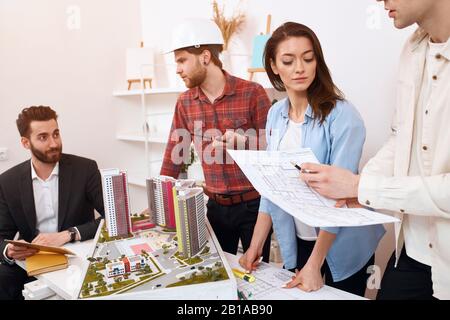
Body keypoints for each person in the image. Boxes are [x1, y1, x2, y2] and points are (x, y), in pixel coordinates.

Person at [299, 0, 450, 300]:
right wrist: (357, 187)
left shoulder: (343, 115)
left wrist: (362, 185)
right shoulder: (412, 49)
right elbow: (400, 136)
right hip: (412, 249)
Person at [239, 22, 385, 296]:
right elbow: (271, 188)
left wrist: (315, 263)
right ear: (273, 66)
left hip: (343, 244)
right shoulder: (275, 115)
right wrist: (256, 245)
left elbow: (339, 199)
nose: (299, 68)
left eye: (308, 58)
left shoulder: (343, 116)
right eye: (288, 60)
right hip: (302, 239)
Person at [160, 19, 273, 261]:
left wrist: (244, 144)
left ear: (205, 56)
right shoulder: (185, 102)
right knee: (220, 272)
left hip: (255, 207)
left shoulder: (253, 93)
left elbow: (272, 150)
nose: (177, 69)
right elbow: (174, 155)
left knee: (259, 272)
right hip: (215, 208)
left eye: (182, 60)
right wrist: (160, 199)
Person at [0, 106, 105, 300]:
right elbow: (2, 236)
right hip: (32, 262)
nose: (53, 143)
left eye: (56, 134)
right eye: (43, 137)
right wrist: (9, 250)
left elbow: (112, 218)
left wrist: (68, 235)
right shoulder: (7, 181)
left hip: (77, 258)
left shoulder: (86, 169)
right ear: (25, 143)